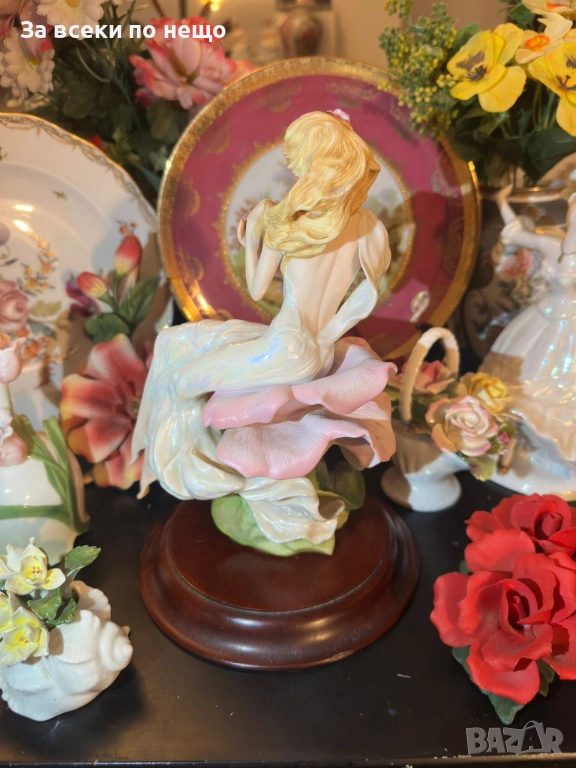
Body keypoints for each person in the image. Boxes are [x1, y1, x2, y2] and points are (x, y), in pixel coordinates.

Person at [131, 111, 393, 546]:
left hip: (285, 346)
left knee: (179, 381)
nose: (291, 164)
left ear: (314, 158)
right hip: (312, 346)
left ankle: (198, 473)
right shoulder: (369, 226)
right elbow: (363, 296)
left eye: (295, 155)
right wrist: (329, 335)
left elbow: (256, 289)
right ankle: (166, 461)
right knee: (180, 339)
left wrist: (251, 237)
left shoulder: (284, 220)